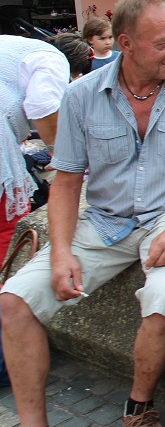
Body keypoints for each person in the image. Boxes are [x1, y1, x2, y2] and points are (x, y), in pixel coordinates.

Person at [0, 0, 165, 427]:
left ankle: (139, 409)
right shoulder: (81, 95)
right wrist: (60, 252)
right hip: (103, 221)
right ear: (124, 44)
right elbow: (66, 182)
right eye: (162, 43)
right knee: (14, 301)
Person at [0, 34, 91, 262]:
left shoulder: (15, 47)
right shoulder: (53, 58)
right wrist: (58, 153)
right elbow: (43, 106)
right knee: (8, 227)